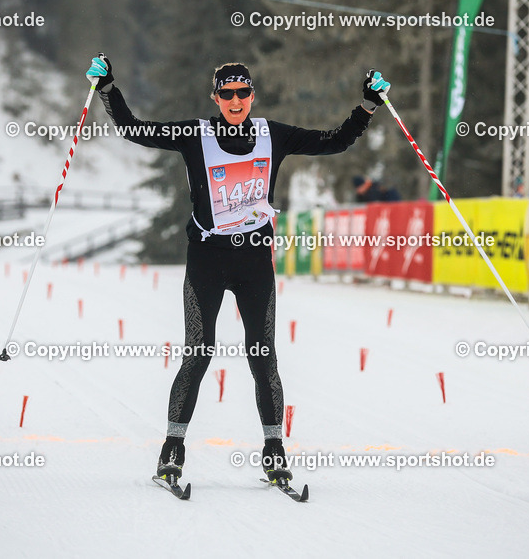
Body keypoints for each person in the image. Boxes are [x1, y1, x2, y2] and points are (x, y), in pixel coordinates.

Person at [86, 54, 389, 485]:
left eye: (242, 93)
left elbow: (334, 141)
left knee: (263, 356)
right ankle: (172, 449)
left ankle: (274, 451)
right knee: (199, 352)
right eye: (226, 93)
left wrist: (368, 107)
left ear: (252, 96)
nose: (235, 100)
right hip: (207, 259)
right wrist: (108, 89)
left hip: (253, 262)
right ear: (215, 97)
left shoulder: (273, 135)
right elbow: (136, 130)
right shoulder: (195, 134)